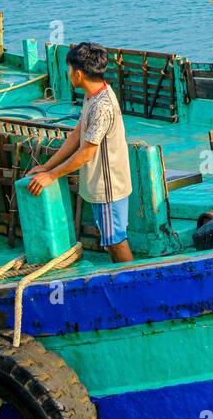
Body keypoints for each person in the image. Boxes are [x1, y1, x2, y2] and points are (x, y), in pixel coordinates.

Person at [27, 42, 134, 262]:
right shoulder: (92, 96)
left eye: (69, 70)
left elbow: (86, 153)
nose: (68, 74)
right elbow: (77, 134)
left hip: (108, 186)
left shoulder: (101, 106)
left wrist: (51, 176)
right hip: (103, 184)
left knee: (116, 241)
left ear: (78, 73)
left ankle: (131, 282)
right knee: (112, 238)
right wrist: (46, 166)